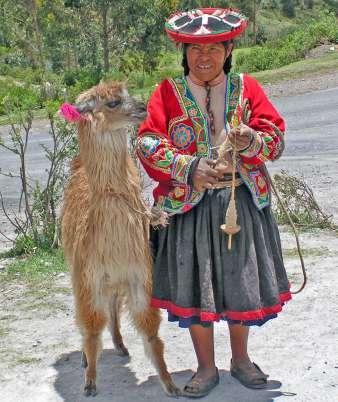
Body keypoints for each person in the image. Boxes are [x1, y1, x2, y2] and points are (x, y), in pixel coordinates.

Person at [137, 8, 291, 398]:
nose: (203, 58)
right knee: (195, 284)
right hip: (190, 206)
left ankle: (240, 359)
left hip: (240, 202)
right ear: (184, 52)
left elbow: (274, 136)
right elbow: (147, 141)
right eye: (194, 50)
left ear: (228, 50)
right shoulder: (167, 93)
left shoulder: (247, 88)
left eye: (213, 49)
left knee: (241, 280)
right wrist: (189, 167)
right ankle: (206, 367)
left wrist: (252, 141)